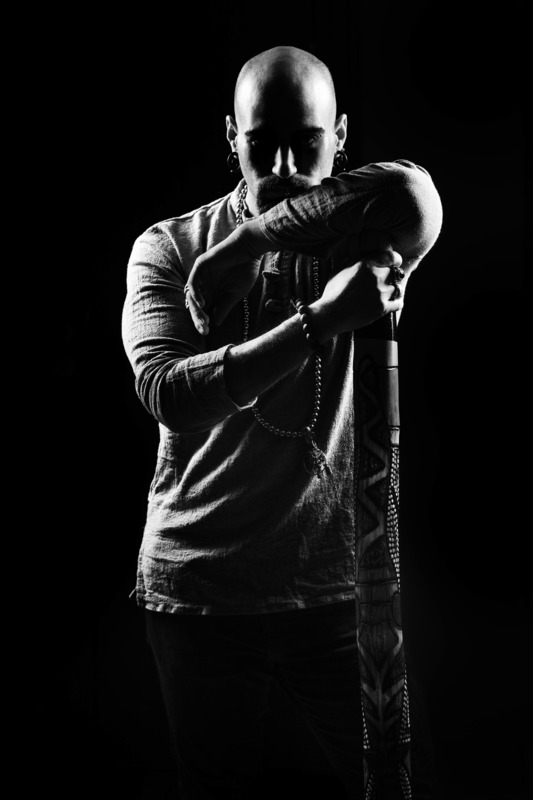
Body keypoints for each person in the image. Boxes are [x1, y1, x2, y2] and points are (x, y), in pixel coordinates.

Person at [122, 45, 443, 799]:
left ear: (340, 136)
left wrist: (250, 242)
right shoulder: (169, 247)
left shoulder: (364, 235)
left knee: (397, 786)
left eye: (307, 142)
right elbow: (168, 393)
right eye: (261, 143)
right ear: (230, 136)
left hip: (339, 587)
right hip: (200, 589)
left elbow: (412, 193)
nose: (284, 166)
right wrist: (319, 321)